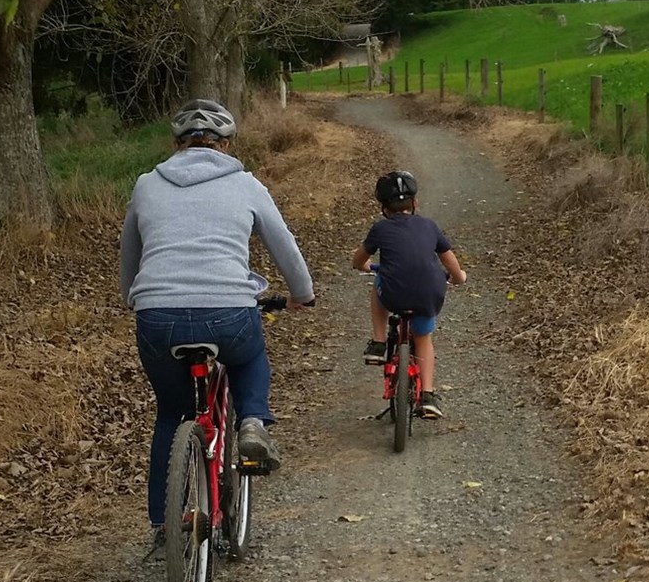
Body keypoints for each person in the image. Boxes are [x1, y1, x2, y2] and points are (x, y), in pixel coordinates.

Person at [120, 98, 315, 539]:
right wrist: (303, 294)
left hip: (158, 317)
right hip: (228, 311)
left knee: (171, 413)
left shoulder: (147, 184)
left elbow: (129, 252)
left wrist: (133, 297)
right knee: (249, 356)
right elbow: (284, 245)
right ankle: (252, 421)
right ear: (226, 144)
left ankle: (163, 521)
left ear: (177, 144)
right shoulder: (246, 184)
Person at [351, 170, 466, 419]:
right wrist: (459, 278)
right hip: (429, 292)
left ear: (383, 209)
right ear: (415, 203)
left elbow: (358, 260)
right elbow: (449, 259)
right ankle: (428, 395)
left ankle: (379, 343)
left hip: (394, 294)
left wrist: (365, 267)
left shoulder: (380, 228)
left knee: (379, 283)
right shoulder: (429, 226)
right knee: (423, 339)